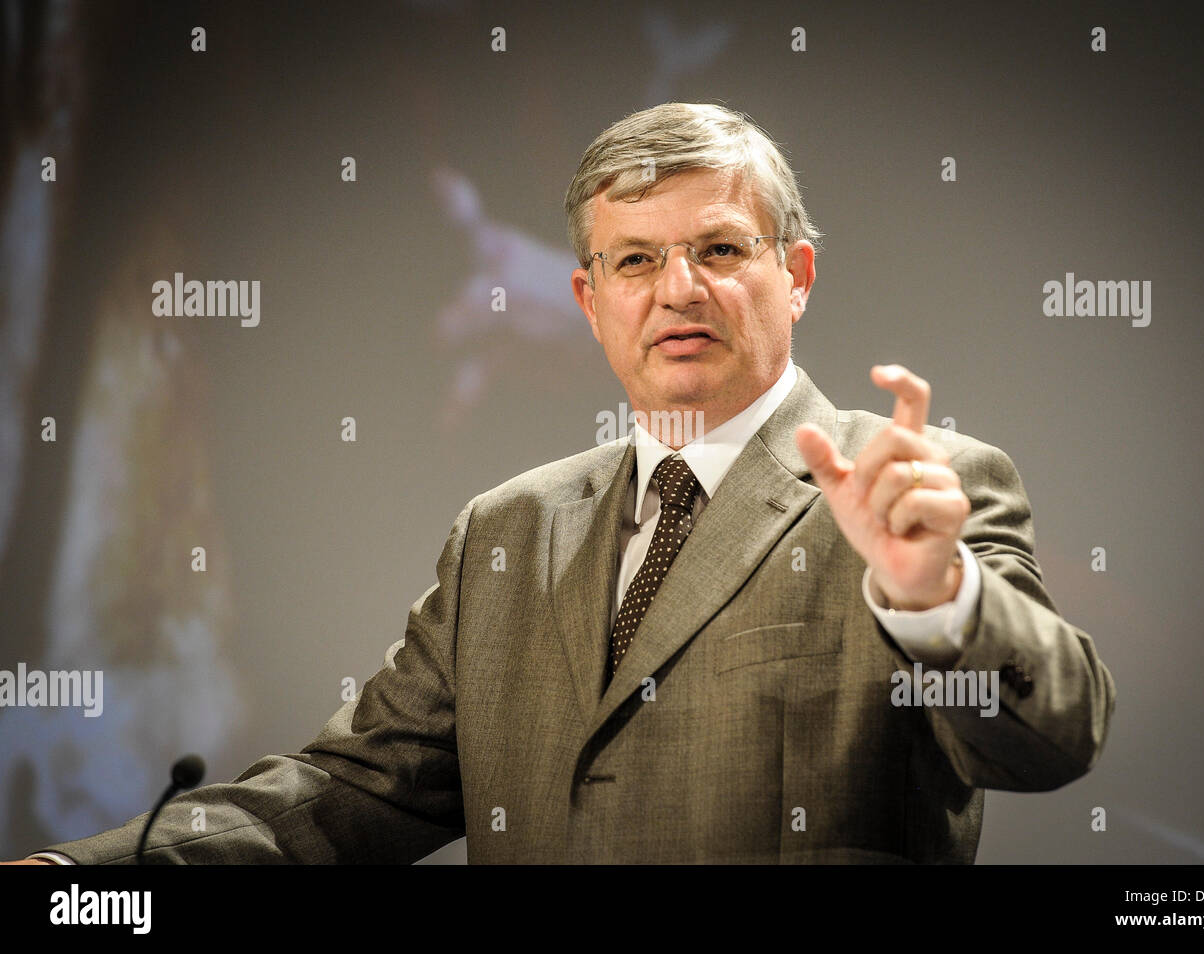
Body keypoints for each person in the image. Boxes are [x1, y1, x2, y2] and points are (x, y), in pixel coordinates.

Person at [11, 102, 1114, 865]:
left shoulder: (915, 486)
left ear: (798, 274)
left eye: (719, 250)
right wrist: (84, 882)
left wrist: (934, 599)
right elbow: (354, 794)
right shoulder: (509, 527)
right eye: (634, 260)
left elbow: (1050, 740)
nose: (676, 289)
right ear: (589, 302)